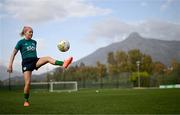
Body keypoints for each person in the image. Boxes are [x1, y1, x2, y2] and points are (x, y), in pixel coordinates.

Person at [7, 26, 73, 107]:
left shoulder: (34, 42)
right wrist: (10, 65)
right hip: (26, 63)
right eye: (30, 32)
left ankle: (63, 63)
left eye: (32, 32)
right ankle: (26, 100)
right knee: (27, 83)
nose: (31, 33)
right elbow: (13, 53)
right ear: (25, 33)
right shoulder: (20, 42)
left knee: (48, 58)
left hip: (35, 61)